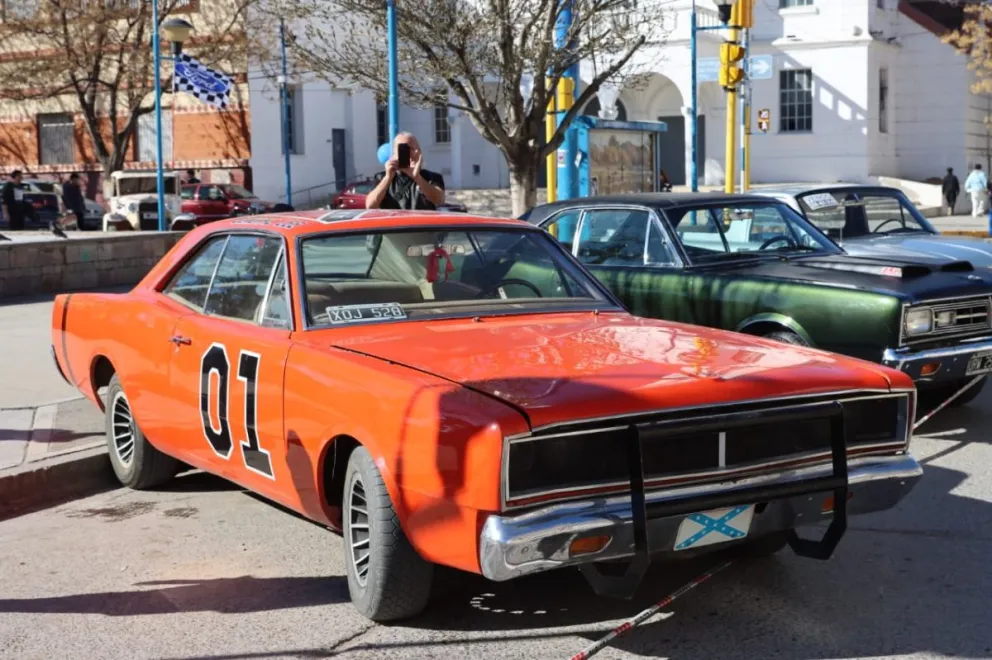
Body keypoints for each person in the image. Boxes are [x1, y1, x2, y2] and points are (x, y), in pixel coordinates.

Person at [365, 132, 445, 210]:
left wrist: (417, 177)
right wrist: (388, 178)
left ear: (418, 152)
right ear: (394, 154)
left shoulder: (432, 177)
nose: (405, 153)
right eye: (401, 149)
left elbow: (439, 200)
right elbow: (370, 205)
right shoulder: (382, 177)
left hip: (422, 223)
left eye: (409, 149)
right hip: (394, 223)